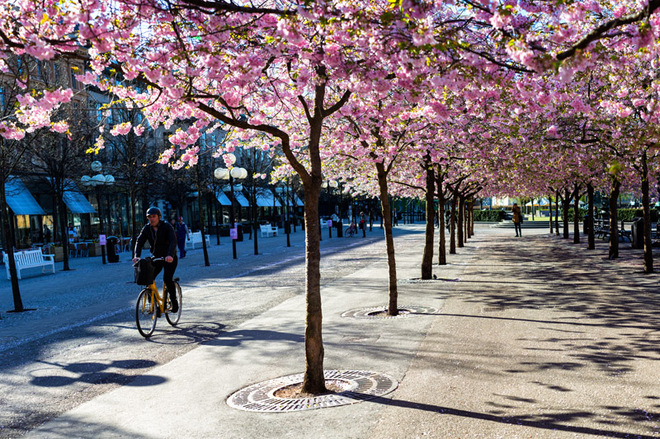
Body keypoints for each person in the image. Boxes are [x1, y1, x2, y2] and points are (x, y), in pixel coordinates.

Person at [133, 207, 179, 313]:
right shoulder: (146, 228)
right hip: (157, 257)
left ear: (159, 217)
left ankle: (174, 302)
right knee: (148, 279)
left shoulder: (167, 226)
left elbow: (173, 241)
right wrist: (137, 256)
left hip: (169, 258)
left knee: (167, 279)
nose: (152, 219)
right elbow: (139, 242)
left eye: (154, 216)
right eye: (149, 217)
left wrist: (170, 255)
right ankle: (154, 305)